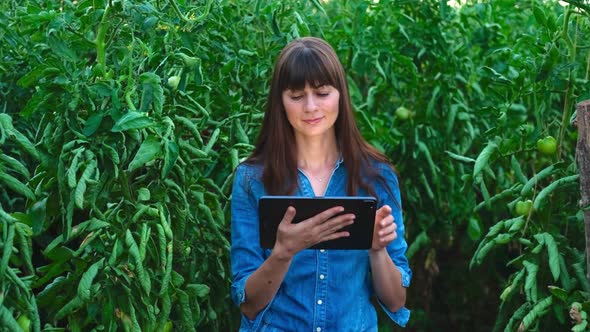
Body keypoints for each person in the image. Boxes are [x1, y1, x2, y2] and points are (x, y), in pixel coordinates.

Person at [230, 36, 412, 331]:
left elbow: (395, 301)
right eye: (296, 96)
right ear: (280, 102)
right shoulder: (253, 180)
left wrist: (377, 249)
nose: (310, 107)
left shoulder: (375, 177)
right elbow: (249, 302)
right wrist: (283, 252)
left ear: (341, 95)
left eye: (322, 92)